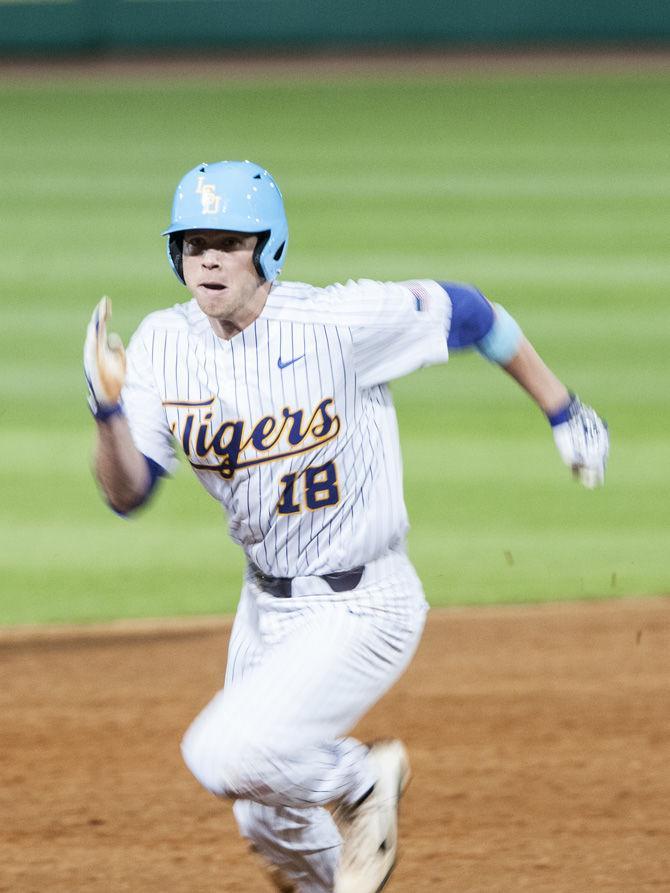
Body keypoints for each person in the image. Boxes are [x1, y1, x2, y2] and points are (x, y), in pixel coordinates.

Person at [84, 160, 609, 893]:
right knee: (266, 819)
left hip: (365, 602)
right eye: (193, 241)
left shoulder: (338, 322)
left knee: (221, 753)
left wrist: (564, 409)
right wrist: (107, 413)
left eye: (229, 241)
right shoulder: (162, 346)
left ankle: (362, 780)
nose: (207, 257)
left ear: (268, 248)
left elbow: (473, 313)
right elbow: (127, 492)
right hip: (265, 608)